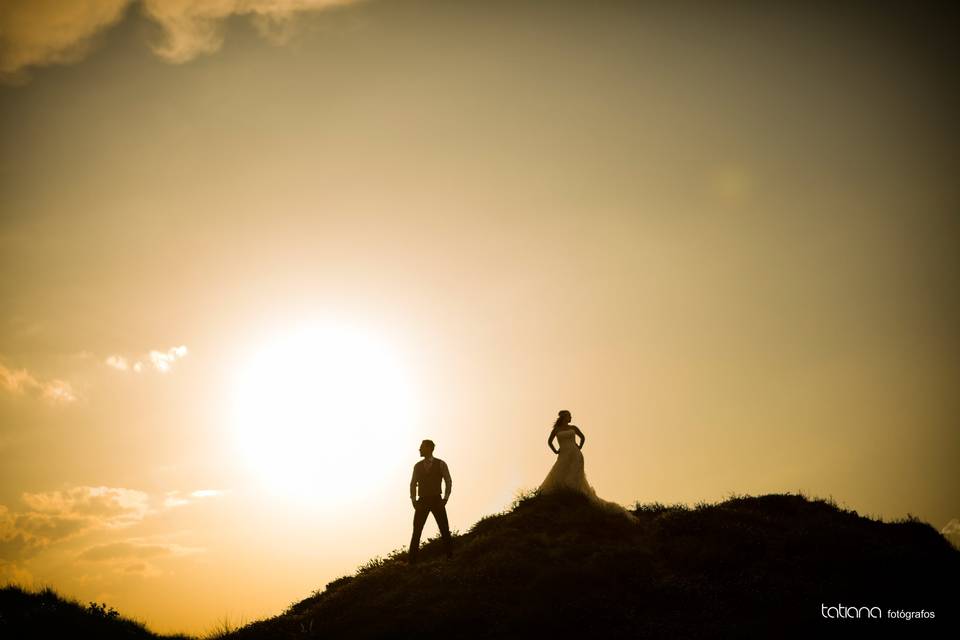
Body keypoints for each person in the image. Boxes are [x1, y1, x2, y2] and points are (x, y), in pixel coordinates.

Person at [538, 410, 637, 521]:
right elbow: (549, 442)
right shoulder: (556, 430)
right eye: (569, 416)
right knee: (560, 471)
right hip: (563, 454)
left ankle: (573, 494)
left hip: (576, 454)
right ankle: (564, 493)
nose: (570, 417)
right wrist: (556, 451)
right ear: (564, 417)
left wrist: (578, 447)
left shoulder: (574, 428)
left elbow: (583, 437)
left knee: (574, 475)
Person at [408, 439, 453, 563]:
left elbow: (448, 481)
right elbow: (413, 484)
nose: (419, 449)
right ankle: (412, 562)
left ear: (429, 448)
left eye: (421, 447)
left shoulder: (441, 464)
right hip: (422, 501)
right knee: (416, 531)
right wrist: (413, 500)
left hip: (437, 500)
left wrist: (445, 498)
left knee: (444, 529)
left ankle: (450, 557)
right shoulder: (417, 466)